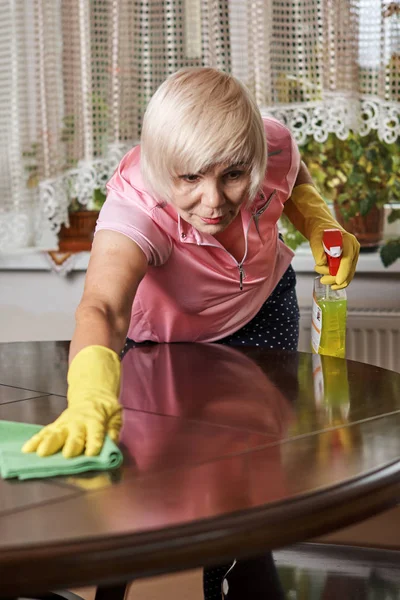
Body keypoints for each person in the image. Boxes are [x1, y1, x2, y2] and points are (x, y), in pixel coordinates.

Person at [22, 67, 360, 599]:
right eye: (190, 179)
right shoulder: (136, 209)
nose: (215, 201)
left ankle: (250, 564)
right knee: (163, 482)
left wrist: (319, 221)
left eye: (233, 174)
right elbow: (104, 307)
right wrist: (87, 395)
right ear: (161, 169)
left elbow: (292, 179)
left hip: (261, 308)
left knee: (251, 462)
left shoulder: (266, 143)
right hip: (166, 344)